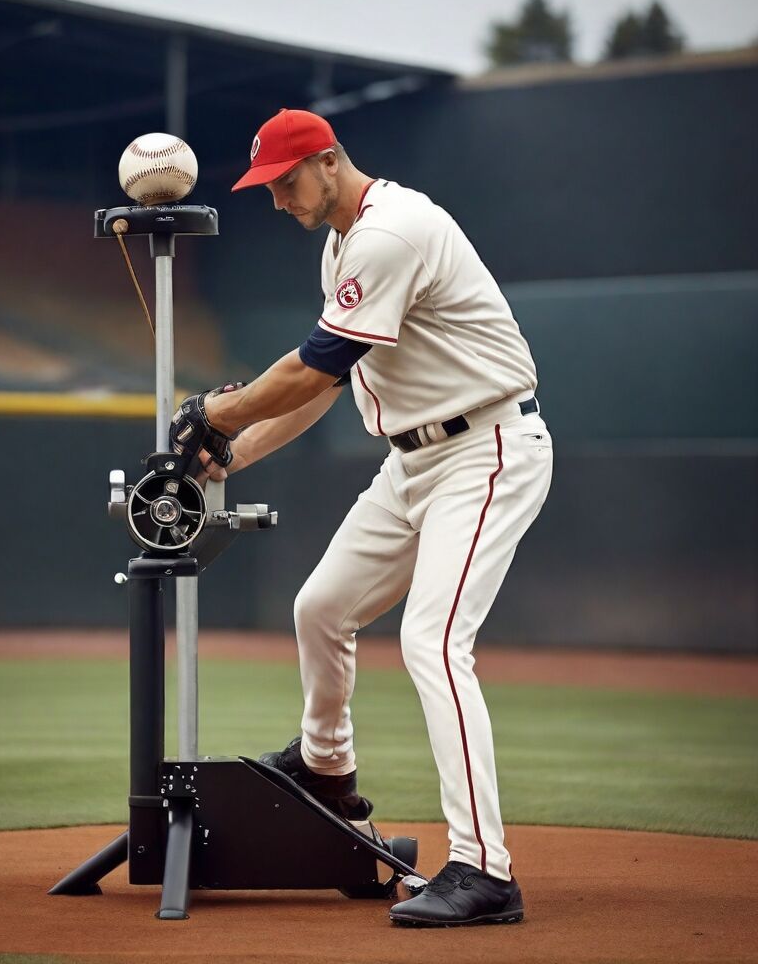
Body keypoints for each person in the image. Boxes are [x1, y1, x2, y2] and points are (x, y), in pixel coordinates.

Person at [170, 108, 553, 927]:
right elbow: (326, 388)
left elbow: (312, 369)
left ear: (329, 160)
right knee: (320, 609)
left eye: (282, 182)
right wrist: (229, 450)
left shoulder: (391, 232)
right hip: (412, 461)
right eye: (266, 187)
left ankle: (486, 871)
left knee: (433, 641)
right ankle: (327, 771)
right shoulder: (340, 245)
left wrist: (219, 410)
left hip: (484, 447)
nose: (274, 200)